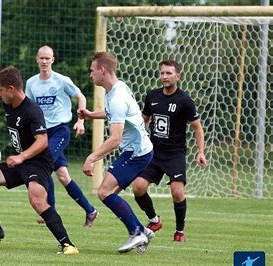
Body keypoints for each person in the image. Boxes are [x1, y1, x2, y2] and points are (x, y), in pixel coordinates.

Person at [0, 66, 79, 255]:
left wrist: (21, 156)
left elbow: (43, 140)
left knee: (37, 200)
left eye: (0, 90)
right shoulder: (9, 104)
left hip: (37, 163)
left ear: (12, 88)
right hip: (19, 163)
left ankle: (68, 244)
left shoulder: (32, 111)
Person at [78, 52, 154, 253]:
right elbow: (116, 114)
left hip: (136, 153)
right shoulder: (117, 89)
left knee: (104, 192)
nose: (90, 75)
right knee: (109, 193)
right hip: (138, 151)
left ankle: (138, 232)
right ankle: (141, 231)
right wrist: (92, 115)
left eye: (92, 70)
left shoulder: (117, 96)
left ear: (102, 70)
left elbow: (115, 139)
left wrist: (91, 158)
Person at [132, 59, 208, 242]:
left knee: (177, 192)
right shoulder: (152, 96)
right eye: (162, 73)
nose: (164, 77)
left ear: (177, 76)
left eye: (168, 73)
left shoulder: (185, 101)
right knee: (138, 187)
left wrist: (201, 151)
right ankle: (154, 220)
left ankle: (179, 231)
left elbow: (197, 127)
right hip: (153, 152)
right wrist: (139, 140)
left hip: (175, 154)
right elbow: (145, 119)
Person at [25, 45, 98, 227]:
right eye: (41, 58)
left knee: (44, 162)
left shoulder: (61, 80)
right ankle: (90, 210)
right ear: (37, 59)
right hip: (42, 133)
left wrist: (81, 120)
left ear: (53, 60)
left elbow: (81, 97)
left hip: (60, 130)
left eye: (47, 58)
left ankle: (49, 211)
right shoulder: (31, 83)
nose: (44, 61)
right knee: (63, 176)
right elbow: (28, 107)